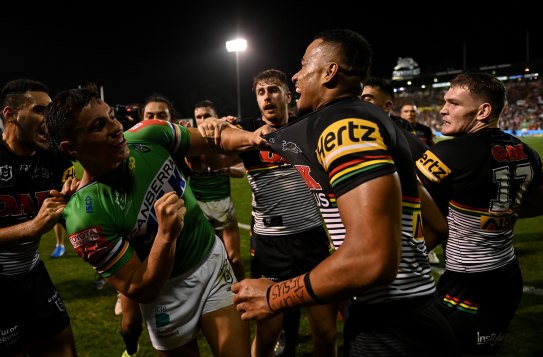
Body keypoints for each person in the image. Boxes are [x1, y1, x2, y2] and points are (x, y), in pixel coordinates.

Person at [220, 29, 460, 356]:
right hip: (409, 312)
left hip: (391, 328)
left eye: (305, 65)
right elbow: (435, 225)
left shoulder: (342, 127)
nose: (296, 74)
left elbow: (372, 257)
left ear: (329, 72)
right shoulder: (356, 120)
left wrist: (274, 296)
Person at [44, 84, 265, 356]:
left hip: (210, 261)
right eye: (98, 126)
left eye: (111, 116)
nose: (115, 128)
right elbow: (140, 287)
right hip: (164, 294)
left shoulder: (146, 134)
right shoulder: (83, 216)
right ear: (71, 147)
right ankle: (129, 338)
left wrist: (255, 137)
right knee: (130, 321)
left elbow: (210, 140)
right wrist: (166, 235)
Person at [414, 72, 543, 355]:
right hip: (508, 276)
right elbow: (538, 202)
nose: (443, 110)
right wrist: (500, 213)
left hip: (469, 282)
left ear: (483, 111)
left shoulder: (448, 153)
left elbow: (404, 202)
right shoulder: (528, 153)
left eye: (454, 103)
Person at [233, 69, 338, 357]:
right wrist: (221, 127)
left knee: (327, 334)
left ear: (288, 96)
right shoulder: (247, 133)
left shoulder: (308, 126)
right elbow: (217, 151)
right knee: (267, 336)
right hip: (270, 246)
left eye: (274, 90)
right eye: (261, 92)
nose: (267, 97)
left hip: (311, 240)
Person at [0, 78, 77, 356]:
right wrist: (31, 228)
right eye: (40, 110)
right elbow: (32, 228)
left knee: (65, 350)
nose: (49, 119)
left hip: (32, 275)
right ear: (10, 115)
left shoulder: (56, 160)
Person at [361, 78, 440, 265]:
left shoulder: (412, 145)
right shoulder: (350, 142)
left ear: (387, 105)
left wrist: (407, 258)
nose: (359, 103)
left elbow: (439, 216)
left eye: (367, 98)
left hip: (401, 240)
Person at [190, 100, 245, 281]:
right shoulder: (189, 142)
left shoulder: (226, 139)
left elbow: (242, 171)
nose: (202, 120)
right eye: (199, 116)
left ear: (215, 117)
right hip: (199, 206)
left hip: (223, 204)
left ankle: (243, 294)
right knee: (208, 261)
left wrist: (225, 169)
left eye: (206, 115)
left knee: (234, 258)